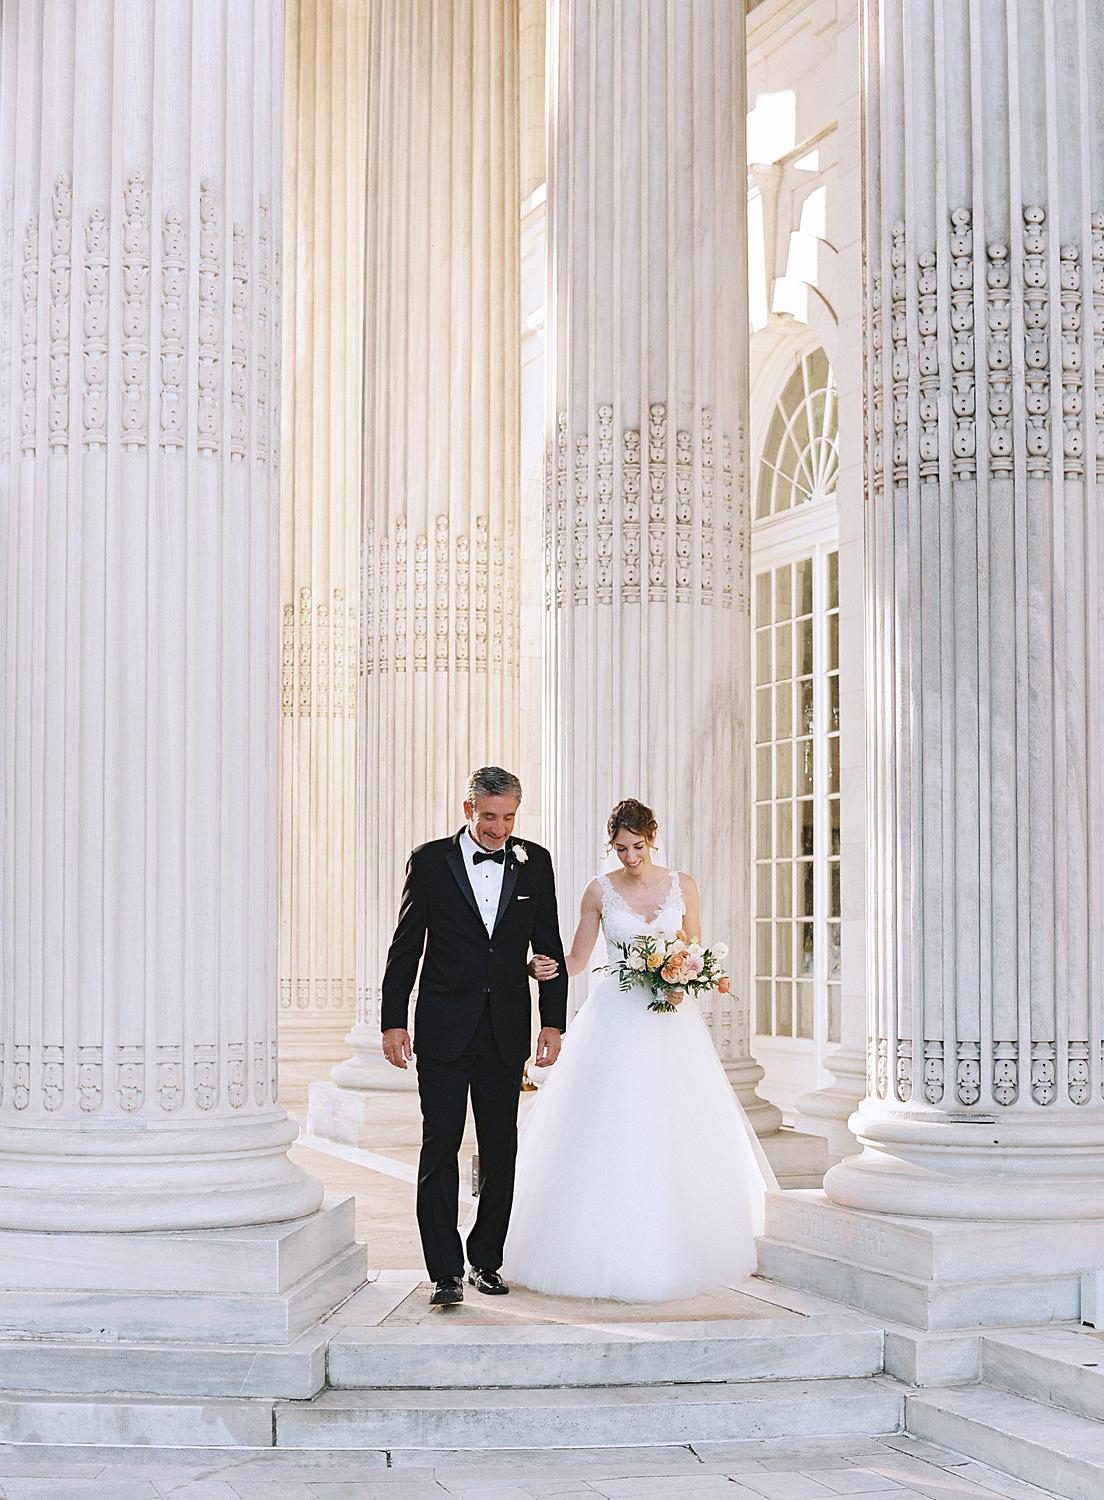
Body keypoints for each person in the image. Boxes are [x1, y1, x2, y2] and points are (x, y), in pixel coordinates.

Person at [504, 797, 774, 1302]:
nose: (629, 857)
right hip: (617, 1015)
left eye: (637, 847)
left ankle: (685, 1240)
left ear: (654, 838)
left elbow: (693, 947)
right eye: (621, 848)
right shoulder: (599, 891)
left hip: (672, 1020)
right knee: (615, 1120)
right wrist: (539, 967)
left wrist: (688, 977)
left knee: (677, 1121)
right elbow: (578, 959)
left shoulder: (682, 884)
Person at [380, 767, 568, 1306]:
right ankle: (444, 1272)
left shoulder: (537, 862)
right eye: (489, 817)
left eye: (509, 817)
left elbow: (549, 943)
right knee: (440, 1145)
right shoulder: (430, 861)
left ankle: (486, 1259)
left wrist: (552, 1021)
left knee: (500, 1148)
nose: (499, 828)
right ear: (468, 810)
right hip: (442, 1029)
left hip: (505, 1029)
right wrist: (394, 1020)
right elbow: (405, 947)